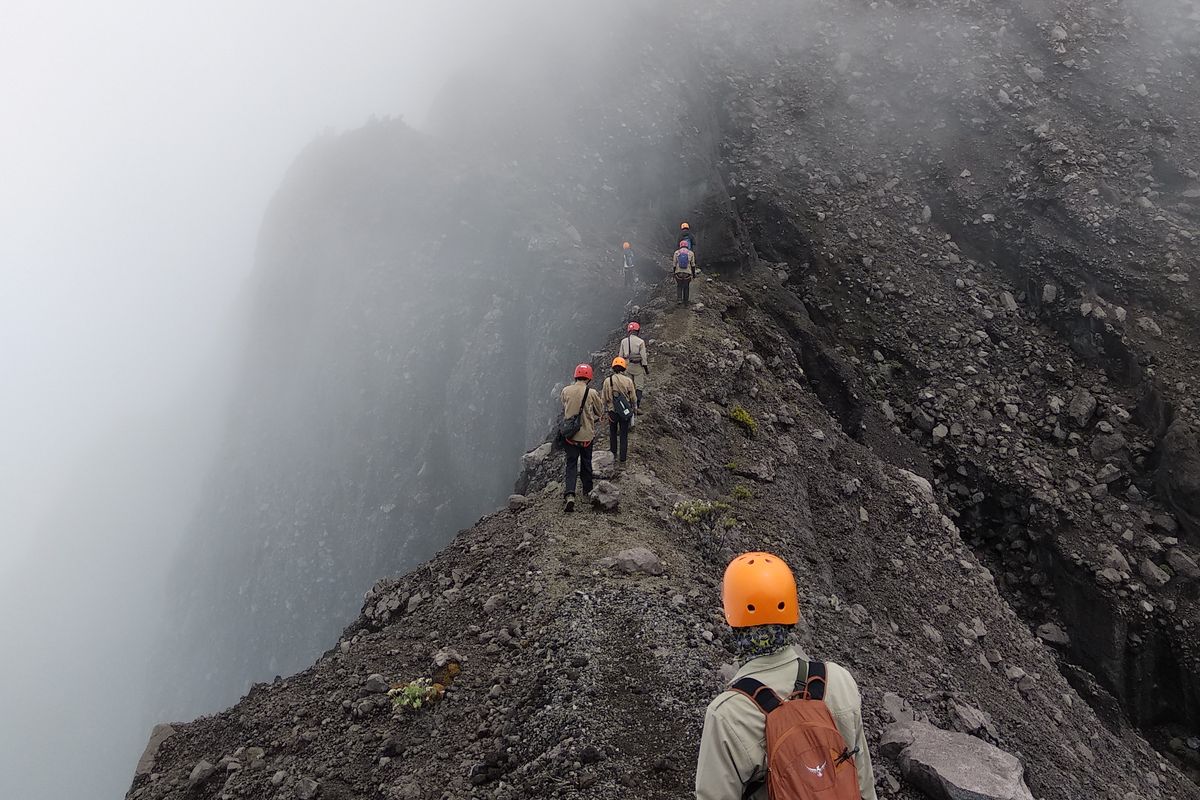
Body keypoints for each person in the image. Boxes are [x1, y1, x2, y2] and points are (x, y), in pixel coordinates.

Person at [696, 553, 877, 800]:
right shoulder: (839, 679)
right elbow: (862, 781)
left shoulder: (728, 714)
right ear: (792, 613)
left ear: (732, 618)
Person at [559, 363, 604, 512]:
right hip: (586, 436)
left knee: (571, 464)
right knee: (586, 463)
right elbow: (600, 410)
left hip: (570, 436)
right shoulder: (591, 393)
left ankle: (570, 494)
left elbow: (564, 407)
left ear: (575, 375)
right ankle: (587, 491)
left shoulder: (566, 391)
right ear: (589, 377)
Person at [602, 356, 637, 466]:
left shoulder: (608, 381)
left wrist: (604, 411)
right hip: (624, 412)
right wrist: (634, 408)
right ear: (624, 368)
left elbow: (603, 398)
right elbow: (633, 398)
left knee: (612, 433)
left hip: (612, 412)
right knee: (623, 434)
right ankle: (623, 459)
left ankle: (613, 455)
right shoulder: (628, 381)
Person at [619, 322, 650, 411]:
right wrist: (646, 369)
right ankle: (637, 406)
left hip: (627, 366)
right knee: (639, 386)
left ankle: (628, 405)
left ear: (629, 331)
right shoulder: (641, 342)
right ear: (637, 331)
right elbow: (643, 357)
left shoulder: (624, 341)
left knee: (628, 386)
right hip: (638, 367)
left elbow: (620, 356)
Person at [673, 240, 698, 305]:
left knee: (679, 286)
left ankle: (679, 299)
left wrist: (674, 272)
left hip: (678, 273)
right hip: (687, 273)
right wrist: (694, 274)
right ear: (687, 245)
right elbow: (693, 265)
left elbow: (674, 264)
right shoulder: (691, 253)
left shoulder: (676, 253)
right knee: (686, 287)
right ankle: (686, 301)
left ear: (680, 245)